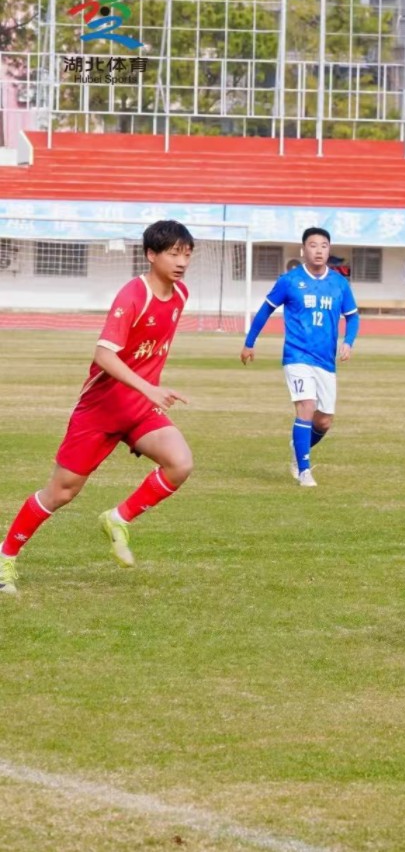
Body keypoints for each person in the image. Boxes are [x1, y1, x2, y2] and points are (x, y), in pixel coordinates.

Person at [0, 220, 198, 593]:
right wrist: (149, 388)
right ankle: (5, 556)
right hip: (101, 410)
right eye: (174, 254)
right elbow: (104, 356)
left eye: (187, 254)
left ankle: (117, 518)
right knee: (61, 492)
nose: (182, 262)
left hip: (140, 409)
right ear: (151, 255)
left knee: (180, 463)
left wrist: (146, 392)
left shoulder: (181, 295)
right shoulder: (133, 296)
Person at [240, 227, 360, 488]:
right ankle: (304, 471)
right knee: (306, 406)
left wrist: (348, 342)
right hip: (296, 355)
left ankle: (298, 446)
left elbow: (352, 317)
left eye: (324, 246)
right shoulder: (290, 281)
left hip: (325, 360)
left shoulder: (339, 283)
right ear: (303, 250)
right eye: (313, 245)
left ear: (329, 250)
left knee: (324, 420)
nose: (319, 250)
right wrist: (249, 343)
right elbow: (265, 311)